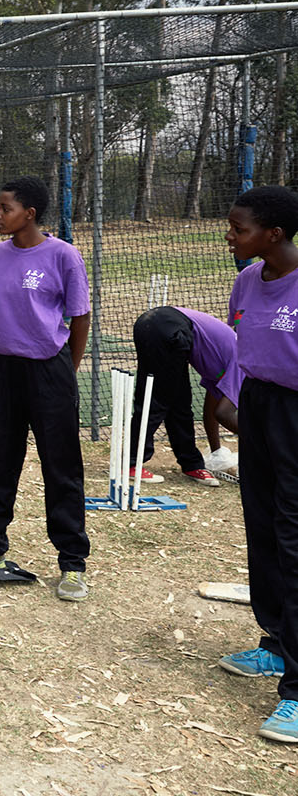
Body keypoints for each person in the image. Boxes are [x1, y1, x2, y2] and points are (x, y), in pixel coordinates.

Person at [0, 175, 92, 603]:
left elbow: (80, 317)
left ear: (30, 214)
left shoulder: (64, 256)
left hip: (48, 371)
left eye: (5, 209)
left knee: (61, 466)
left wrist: (65, 370)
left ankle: (72, 562)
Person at [219, 185, 298, 743]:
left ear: (274, 234)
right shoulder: (247, 280)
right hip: (260, 409)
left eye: (239, 228)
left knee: (295, 539)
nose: (230, 235)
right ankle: (276, 643)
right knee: (264, 529)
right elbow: (244, 350)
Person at [127, 306, 241, 487]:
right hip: (169, 327)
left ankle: (191, 464)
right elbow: (223, 413)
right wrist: (256, 438)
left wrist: (216, 451)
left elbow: (212, 408)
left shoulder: (231, 362)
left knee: (179, 403)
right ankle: (130, 463)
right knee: (158, 399)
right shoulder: (243, 365)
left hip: (156, 324)